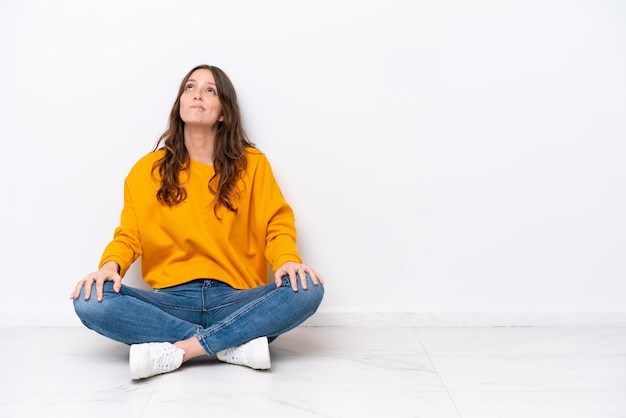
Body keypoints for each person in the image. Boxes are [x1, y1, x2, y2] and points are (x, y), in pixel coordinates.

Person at [70, 64, 325, 380]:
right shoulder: (147, 170)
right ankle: (233, 342)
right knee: (89, 300)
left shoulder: (253, 165)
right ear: (179, 104)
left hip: (236, 297)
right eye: (189, 88)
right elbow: (129, 235)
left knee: (308, 289)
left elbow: (277, 224)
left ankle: (186, 349)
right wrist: (110, 267)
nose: (197, 96)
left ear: (223, 112)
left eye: (210, 90)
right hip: (171, 301)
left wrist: (288, 261)